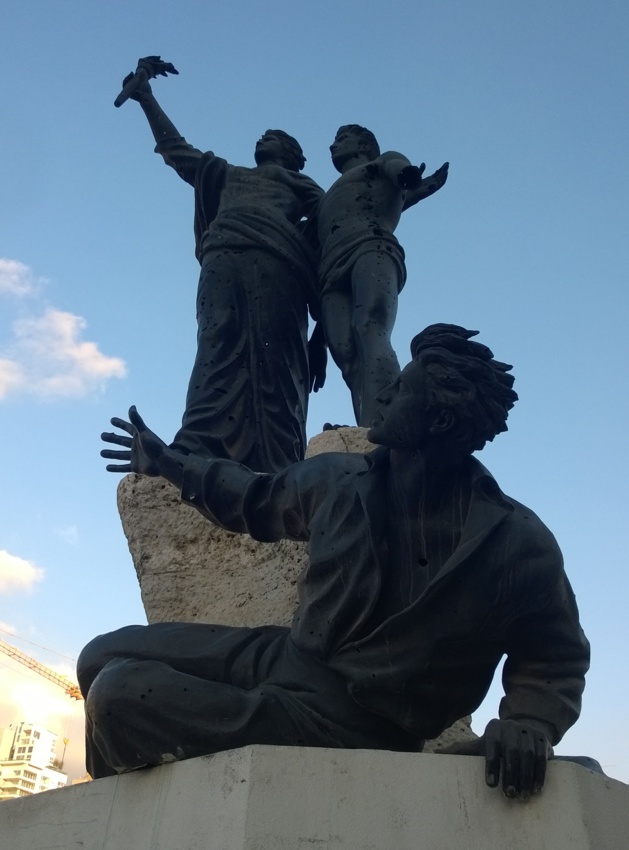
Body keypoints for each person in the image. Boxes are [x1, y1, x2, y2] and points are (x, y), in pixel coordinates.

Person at [81, 323, 589, 799]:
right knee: (96, 657)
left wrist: (530, 723)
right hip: (285, 656)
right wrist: (168, 462)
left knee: (120, 693)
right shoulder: (341, 481)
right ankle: (109, 814)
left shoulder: (517, 545)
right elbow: (253, 498)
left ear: (439, 419)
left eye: (402, 389)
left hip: (350, 723)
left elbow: (555, 658)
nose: (385, 394)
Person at [122, 62, 324, 472]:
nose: (263, 137)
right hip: (224, 255)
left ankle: (280, 459)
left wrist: (324, 330)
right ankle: (196, 442)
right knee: (217, 338)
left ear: (292, 156)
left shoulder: (302, 187)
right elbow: (176, 151)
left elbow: (335, 233)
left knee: (277, 354)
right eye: (263, 134)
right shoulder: (225, 173)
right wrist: (146, 98)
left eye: (274, 136)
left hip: (280, 266)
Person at [317, 125, 448, 425]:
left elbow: (399, 171)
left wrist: (408, 178)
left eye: (341, 139)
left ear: (364, 144)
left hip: (371, 246)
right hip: (329, 273)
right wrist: (316, 339)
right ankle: (369, 424)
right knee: (346, 354)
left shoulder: (381, 162)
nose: (332, 146)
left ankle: (388, 422)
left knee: (370, 327)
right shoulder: (326, 198)